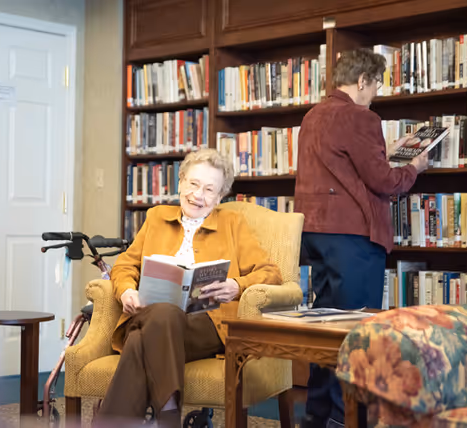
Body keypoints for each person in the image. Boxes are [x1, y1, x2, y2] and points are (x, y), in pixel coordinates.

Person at [95, 148, 282, 427]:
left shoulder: (233, 223)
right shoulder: (157, 218)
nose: (198, 195)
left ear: (219, 198)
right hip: (155, 316)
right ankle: (167, 414)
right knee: (161, 317)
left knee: (141, 336)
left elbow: (272, 273)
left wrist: (236, 285)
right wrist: (126, 291)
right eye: (193, 184)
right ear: (181, 182)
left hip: (207, 324)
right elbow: (124, 267)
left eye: (209, 189)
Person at [293, 48, 429, 428]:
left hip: (315, 234)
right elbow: (384, 181)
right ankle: (344, 417)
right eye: (377, 85)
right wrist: (413, 167)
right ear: (363, 80)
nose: (377, 94)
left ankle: (318, 413)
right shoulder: (359, 116)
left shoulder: (312, 115)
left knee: (327, 326)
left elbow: (340, 169)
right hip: (352, 236)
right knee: (354, 329)